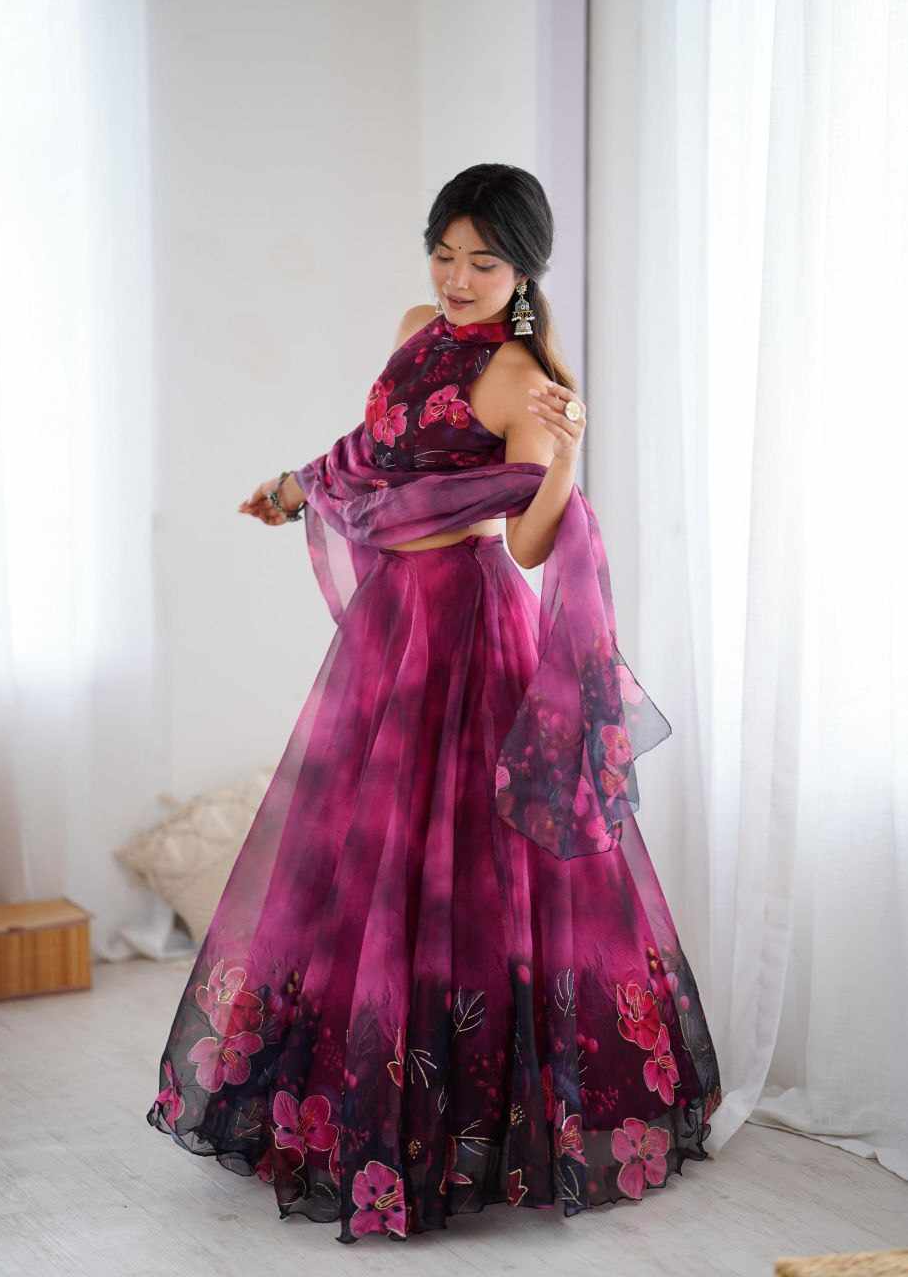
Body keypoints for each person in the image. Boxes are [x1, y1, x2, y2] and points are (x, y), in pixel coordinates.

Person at [146, 163, 722, 1245]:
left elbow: (531, 541)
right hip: (389, 627)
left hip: (465, 627)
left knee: (462, 867)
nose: (455, 279)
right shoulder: (418, 331)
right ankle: (341, 1098)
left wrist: (565, 457)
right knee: (364, 854)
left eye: (481, 262)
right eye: (443, 253)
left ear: (524, 271)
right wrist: (294, 488)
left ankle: (455, 1126)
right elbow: (375, 450)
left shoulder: (522, 382)